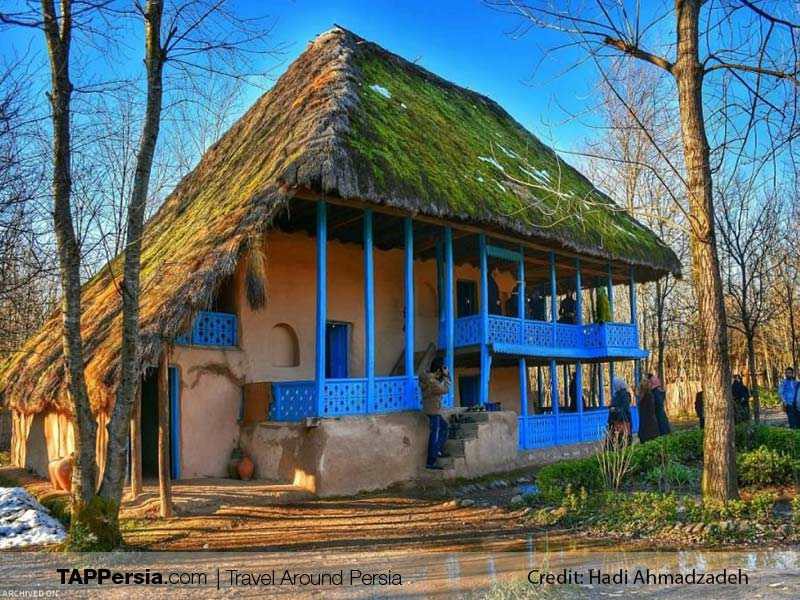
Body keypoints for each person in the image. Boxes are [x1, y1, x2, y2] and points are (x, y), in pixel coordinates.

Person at [420, 356, 451, 468]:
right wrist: (447, 377)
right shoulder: (433, 382)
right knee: (435, 434)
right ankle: (431, 461)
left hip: (428, 409)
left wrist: (439, 375)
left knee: (444, 427)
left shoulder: (426, 377)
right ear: (438, 370)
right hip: (433, 410)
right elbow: (445, 390)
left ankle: (437, 451)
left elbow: (433, 380)